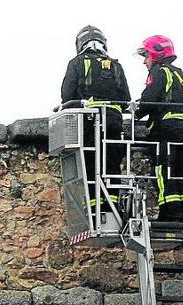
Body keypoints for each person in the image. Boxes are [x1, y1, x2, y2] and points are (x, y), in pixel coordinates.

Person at [61, 25, 131, 212]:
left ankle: (95, 209)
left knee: (91, 164)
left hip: (90, 121)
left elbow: (67, 95)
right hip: (114, 122)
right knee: (112, 166)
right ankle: (111, 207)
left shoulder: (77, 63)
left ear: (80, 43)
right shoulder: (116, 66)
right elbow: (126, 99)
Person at [135, 35, 183, 222]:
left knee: (163, 171)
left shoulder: (159, 72)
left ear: (156, 54)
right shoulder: (182, 74)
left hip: (165, 130)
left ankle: (169, 214)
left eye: (146, 56)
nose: (145, 61)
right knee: (182, 173)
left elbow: (148, 101)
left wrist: (136, 112)